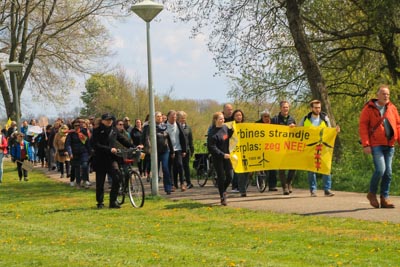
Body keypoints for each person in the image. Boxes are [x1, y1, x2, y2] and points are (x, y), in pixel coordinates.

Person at [359, 84, 400, 208]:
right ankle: (372, 193)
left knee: (388, 172)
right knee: (381, 170)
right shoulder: (369, 108)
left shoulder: (392, 108)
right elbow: (363, 127)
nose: (386, 96)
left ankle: (384, 198)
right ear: (377, 95)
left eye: (387, 94)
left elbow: (398, 125)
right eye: (383, 93)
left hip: (390, 144)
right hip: (376, 144)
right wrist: (366, 144)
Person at [92, 113, 134, 209]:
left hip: (111, 159)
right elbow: (96, 145)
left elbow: (122, 140)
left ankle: (113, 201)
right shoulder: (97, 131)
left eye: (110, 119)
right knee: (100, 183)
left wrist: (133, 146)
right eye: (107, 120)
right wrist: (109, 149)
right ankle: (100, 202)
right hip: (100, 159)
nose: (109, 121)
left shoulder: (114, 130)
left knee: (117, 178)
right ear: (102, 121)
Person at [299, 100, 340, 197]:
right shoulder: (305, 119)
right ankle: (313, 190)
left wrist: (336, 131)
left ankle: (327, 189)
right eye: (316, 107)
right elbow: (298, 130)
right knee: (311, 169)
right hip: (310, 147)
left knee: (326, 167)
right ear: (311, 108)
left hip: (323, 146)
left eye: (319, 107)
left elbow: (330, 130)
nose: (318, 109)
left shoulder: (325, 118)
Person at [142, 111, 174, 194]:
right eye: (158, 116)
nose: (160, 118)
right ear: (154, 118)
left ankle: (168, 188)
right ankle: (154, 188)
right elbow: (147, 139)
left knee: (165, 168)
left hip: (164, 151)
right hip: (155, 152)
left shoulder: (165, 127)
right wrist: (149, 149)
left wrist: (172, 151)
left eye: (160, 116)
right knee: (155, 170)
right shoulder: (150, 127)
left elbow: (169, 139)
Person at [207, 112, 234, 206]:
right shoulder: (212, 133)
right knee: (221, 177)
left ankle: (223, 190)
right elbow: (212, 148)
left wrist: (235, 130)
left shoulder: (225, 128)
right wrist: (222, 154)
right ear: (215, 120)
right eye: (220, 119)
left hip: (227, 156)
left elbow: (229, 135)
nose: (222, 120)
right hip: (218, 158)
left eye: (223, 119)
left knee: (230, 176)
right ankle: (222, 196)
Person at [271, 101, 297, 195]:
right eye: (284, 107)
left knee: (293, 167)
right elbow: (270, 132)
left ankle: (289, 182)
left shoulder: (292, 119)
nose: (285, 109)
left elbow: (296, 133)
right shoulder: (275, 119)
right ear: (280, 108)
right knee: (281, 168)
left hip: (290, 147)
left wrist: (294, 127)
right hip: (279, 147)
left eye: (287, 107)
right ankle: (284, 187)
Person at [255, 109, 278, 192]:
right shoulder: (256, 124)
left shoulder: (273, 124)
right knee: (260, 166)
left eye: (268, 116)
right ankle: (261, 182)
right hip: (260, 147)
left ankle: (272, 185)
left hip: (271, 147)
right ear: (261, 117)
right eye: (264, 116)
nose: (266, 118)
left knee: (272, 167)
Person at [65, 119, 91, 189]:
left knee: (85, 165)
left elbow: (87, 143)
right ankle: (78, 183)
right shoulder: (70, 133)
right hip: (75, 153)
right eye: (75, 125)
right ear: (73, 126)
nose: (77, 127)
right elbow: (68, 144)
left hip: (84, 152)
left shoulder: (84, 132)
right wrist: (70, 153)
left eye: (78, 125)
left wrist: (90, 152)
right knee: (77, 168)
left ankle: (85, 181)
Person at [166, 110, 187, 191]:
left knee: (180, 165)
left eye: (175, 117)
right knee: (170, 167)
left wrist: (184, 150)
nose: (174, 119)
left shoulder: (178, 125)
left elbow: (183, 138)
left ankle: (182, 183)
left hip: (178, 148)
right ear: (168, 117)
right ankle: (172, 185)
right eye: (172, 117)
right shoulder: (164, 126)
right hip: (168, 150)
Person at [231, 109, 250, 197]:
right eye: (237, 115)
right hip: (235, 151)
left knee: (247, 171)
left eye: (240, 115)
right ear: (234, 117)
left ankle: (244, 187)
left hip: (246, 150)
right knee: (239, 170)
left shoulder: (246, 126)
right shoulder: (231, 126)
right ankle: (242, 190)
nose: (239, 117)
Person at [177, 111, 195, 189]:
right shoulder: (176, 127)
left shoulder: (188, 128)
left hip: (186, 149)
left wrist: (192, 149)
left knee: (186, 166)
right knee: (179, 166)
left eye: (184, 118)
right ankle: (179, 182)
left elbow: (190, 139)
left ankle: (188, 182)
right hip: (178, 149)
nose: (183, 120)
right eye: (181, 118)